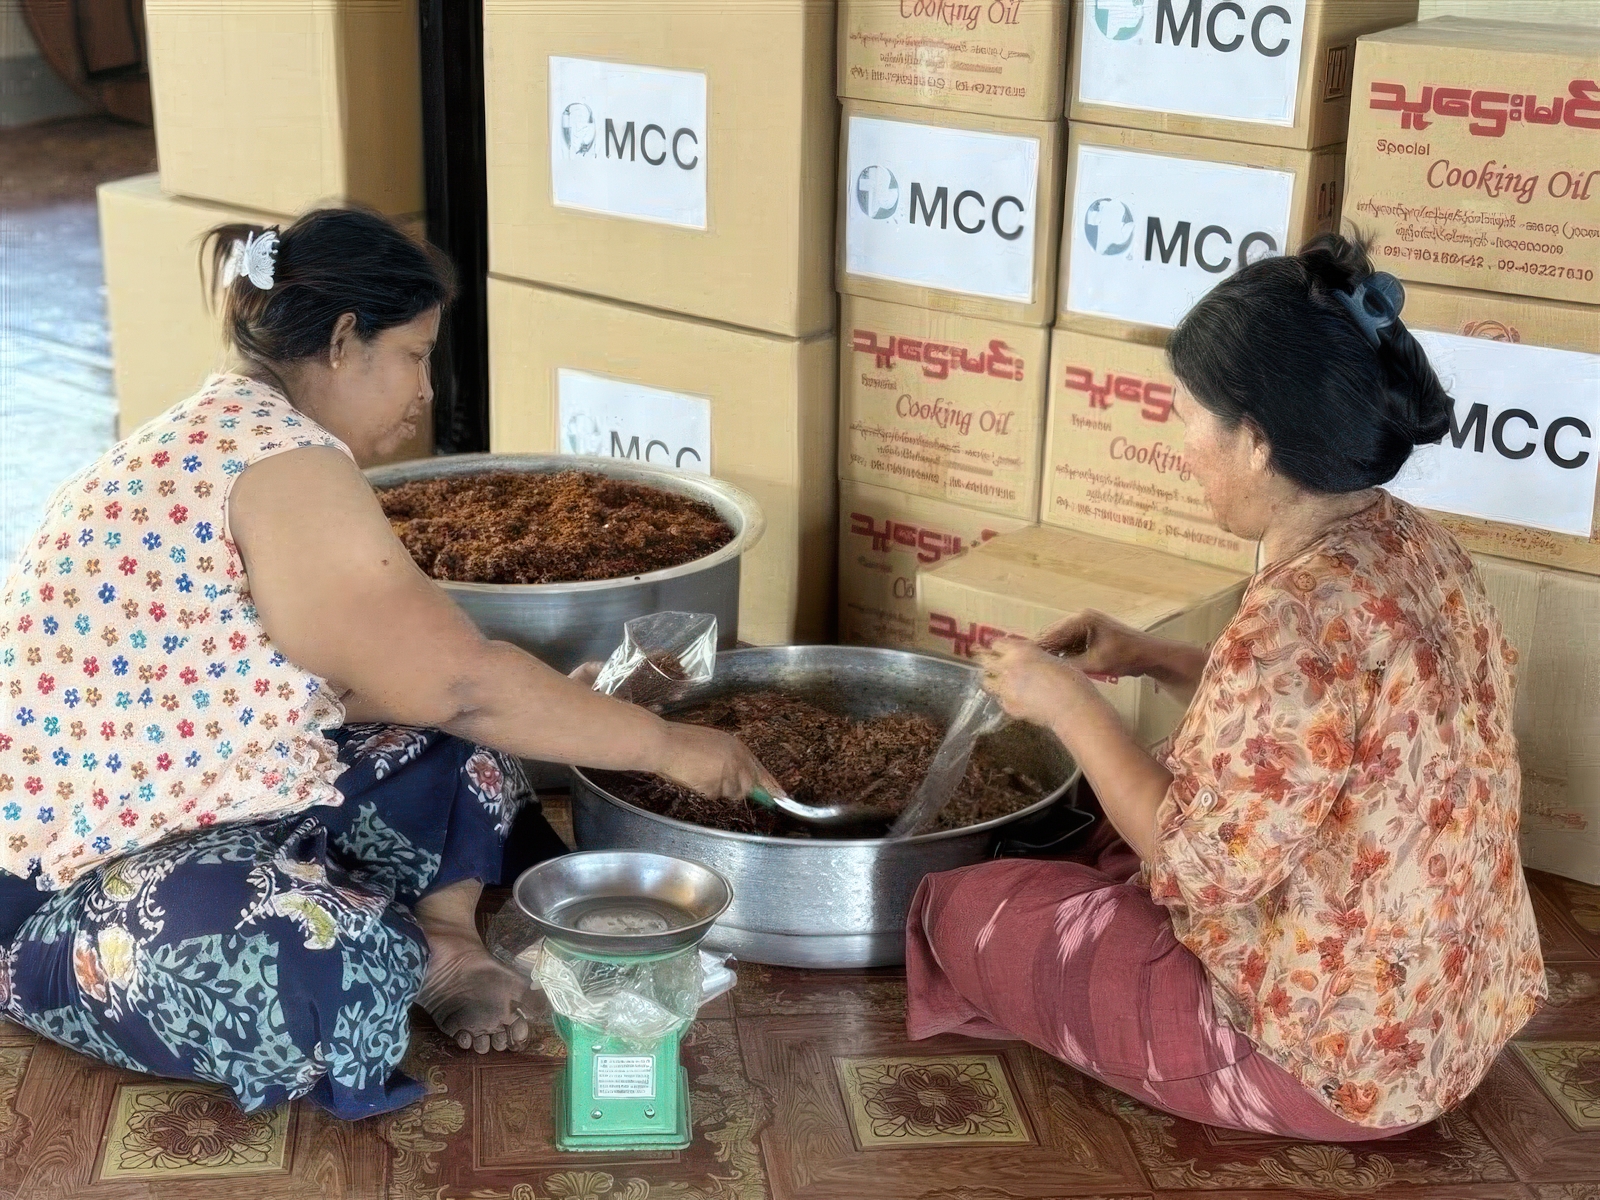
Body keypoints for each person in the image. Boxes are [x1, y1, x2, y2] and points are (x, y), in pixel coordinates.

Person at [0, 208, 778, 1119]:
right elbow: (459, 679)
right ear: (341, 341)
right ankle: (381, 945)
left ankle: (442, 942)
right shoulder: (279, 463)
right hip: (72, 882)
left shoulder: (240, 433)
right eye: (413, 355)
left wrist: (551, 707)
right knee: (324, 959)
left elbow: (382, 686)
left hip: (220, 798)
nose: (426, 391)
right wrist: (661, 745)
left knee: (465, 760)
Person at [907, 234, 1545, 1139]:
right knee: (1113, 828)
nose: (1182, 444)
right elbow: (1317, 741)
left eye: (1189, 415)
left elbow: (1197, 865)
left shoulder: (1293, 619)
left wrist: (1069, 705)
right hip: (1451, 1018)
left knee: (963, 906)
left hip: (1328, 1064)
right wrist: (1153, 656)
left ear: (1254, 441)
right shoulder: (1414, 544)